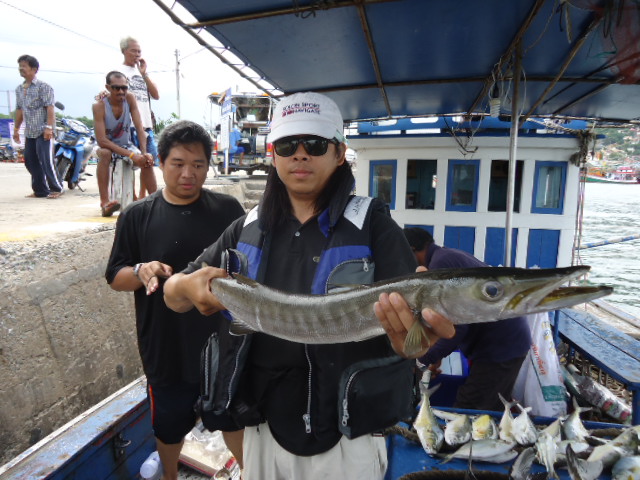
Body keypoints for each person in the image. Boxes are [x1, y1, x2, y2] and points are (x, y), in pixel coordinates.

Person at [163, 92, 454, 480]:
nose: (300, 155)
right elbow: (173, 295)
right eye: (287, 145)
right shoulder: (243, 228)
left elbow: (409, 337)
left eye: (315, 144)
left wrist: (411, 344)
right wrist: (188, 289)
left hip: (349, 441)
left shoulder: (375, 226)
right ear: (273, 154)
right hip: (262, 430)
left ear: (339, 153)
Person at [105, 120, 246, 480]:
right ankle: (169, 476)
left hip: (223, 344)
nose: (188, 173)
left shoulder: (228, 210)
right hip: (165, 347)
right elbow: (115, 277)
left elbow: (248, 266)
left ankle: (251, 471)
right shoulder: (138, 215)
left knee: (233, 417)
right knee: (168, 428)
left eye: (198, 165)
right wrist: (141, 271)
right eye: (178, 163)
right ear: (162, 162)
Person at [403, 227, 532, 411]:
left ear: (412, 249)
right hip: (507, 339)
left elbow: (457, 327)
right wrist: (434, 356)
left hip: (501, 345)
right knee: (490, 404)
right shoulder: (446, 255)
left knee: (470, 408)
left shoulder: (440, 265)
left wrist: (422, 359)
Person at [92, 70, 155, 217]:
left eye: (124, 88)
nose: (121, 92)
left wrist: (144, 151)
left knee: (146, 160)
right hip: (105, 146)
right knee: (106, 154)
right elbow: (102, 140)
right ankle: (105, 203)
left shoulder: (130, 99)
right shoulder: (99, 106)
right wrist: (132, 155)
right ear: (108, 87)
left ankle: (156, 202)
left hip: (125, 145)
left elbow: (140, 128)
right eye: (116, 88)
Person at [13, 54, 64, 199]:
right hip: (30, 131)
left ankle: (57, 188)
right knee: (30, 161)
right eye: (20, 66)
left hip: (43, 130)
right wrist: (16, 130)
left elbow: (50, 108)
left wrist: (49, 127)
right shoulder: (19, 89)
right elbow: (19, 110)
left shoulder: (44, 87)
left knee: (46, 161)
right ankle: (40, 190)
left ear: (34, 69)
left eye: (24, 66)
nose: (21, 69)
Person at [116, 36, 159, 199]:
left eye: (139, 51)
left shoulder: (141, 73)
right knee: (131, 162)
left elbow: (155, 95)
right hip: (128, 126)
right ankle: (132, 197)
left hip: (146, 125)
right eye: (134, 50)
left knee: (148, 161)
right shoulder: (117, 72)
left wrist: (145, 74)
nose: (137, 54)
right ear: (124, 51)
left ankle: (144, 196)